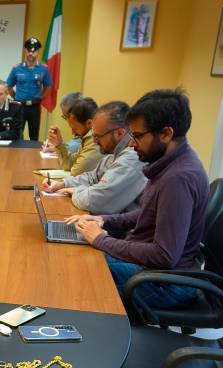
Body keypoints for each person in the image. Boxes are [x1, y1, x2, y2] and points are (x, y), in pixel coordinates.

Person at [66, 88, 209, 309]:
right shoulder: (167, 162)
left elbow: (164, 255)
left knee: (78, 271)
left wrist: (101, 240)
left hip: (164, 280)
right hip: (151, 269)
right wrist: (104, 221)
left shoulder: (178, 178)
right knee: (75, 254)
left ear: (166, 134)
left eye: (138, 136)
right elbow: (147, 213)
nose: (132, 144)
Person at [42, 101, 147, 215]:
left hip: (119, 230)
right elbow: (92, 177)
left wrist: (75, 191)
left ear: (120, 133)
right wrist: (63, 183)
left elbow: (96, 202)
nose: (95, 142)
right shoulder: (115, 152)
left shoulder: (131, 158)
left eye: (98, 137)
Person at [6, 37, 52, 141]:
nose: (31, 53)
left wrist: (41, 97)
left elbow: (48, 86)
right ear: (25, 51)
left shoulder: (43, 69)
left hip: (34, 108)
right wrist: (16, 97)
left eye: (34, 50)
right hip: (19, 107)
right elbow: (8, 86)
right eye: (28, 50)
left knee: (34, 136)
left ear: (38, 52)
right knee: (17, 135)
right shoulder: (17, 68)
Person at [44, 97, 103, 176]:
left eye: (75, 129)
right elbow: (68, 165)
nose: (73, 133)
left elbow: (75, 173)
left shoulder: (94, 140)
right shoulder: (86, 138)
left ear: (89, 123)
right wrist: (59, 144)